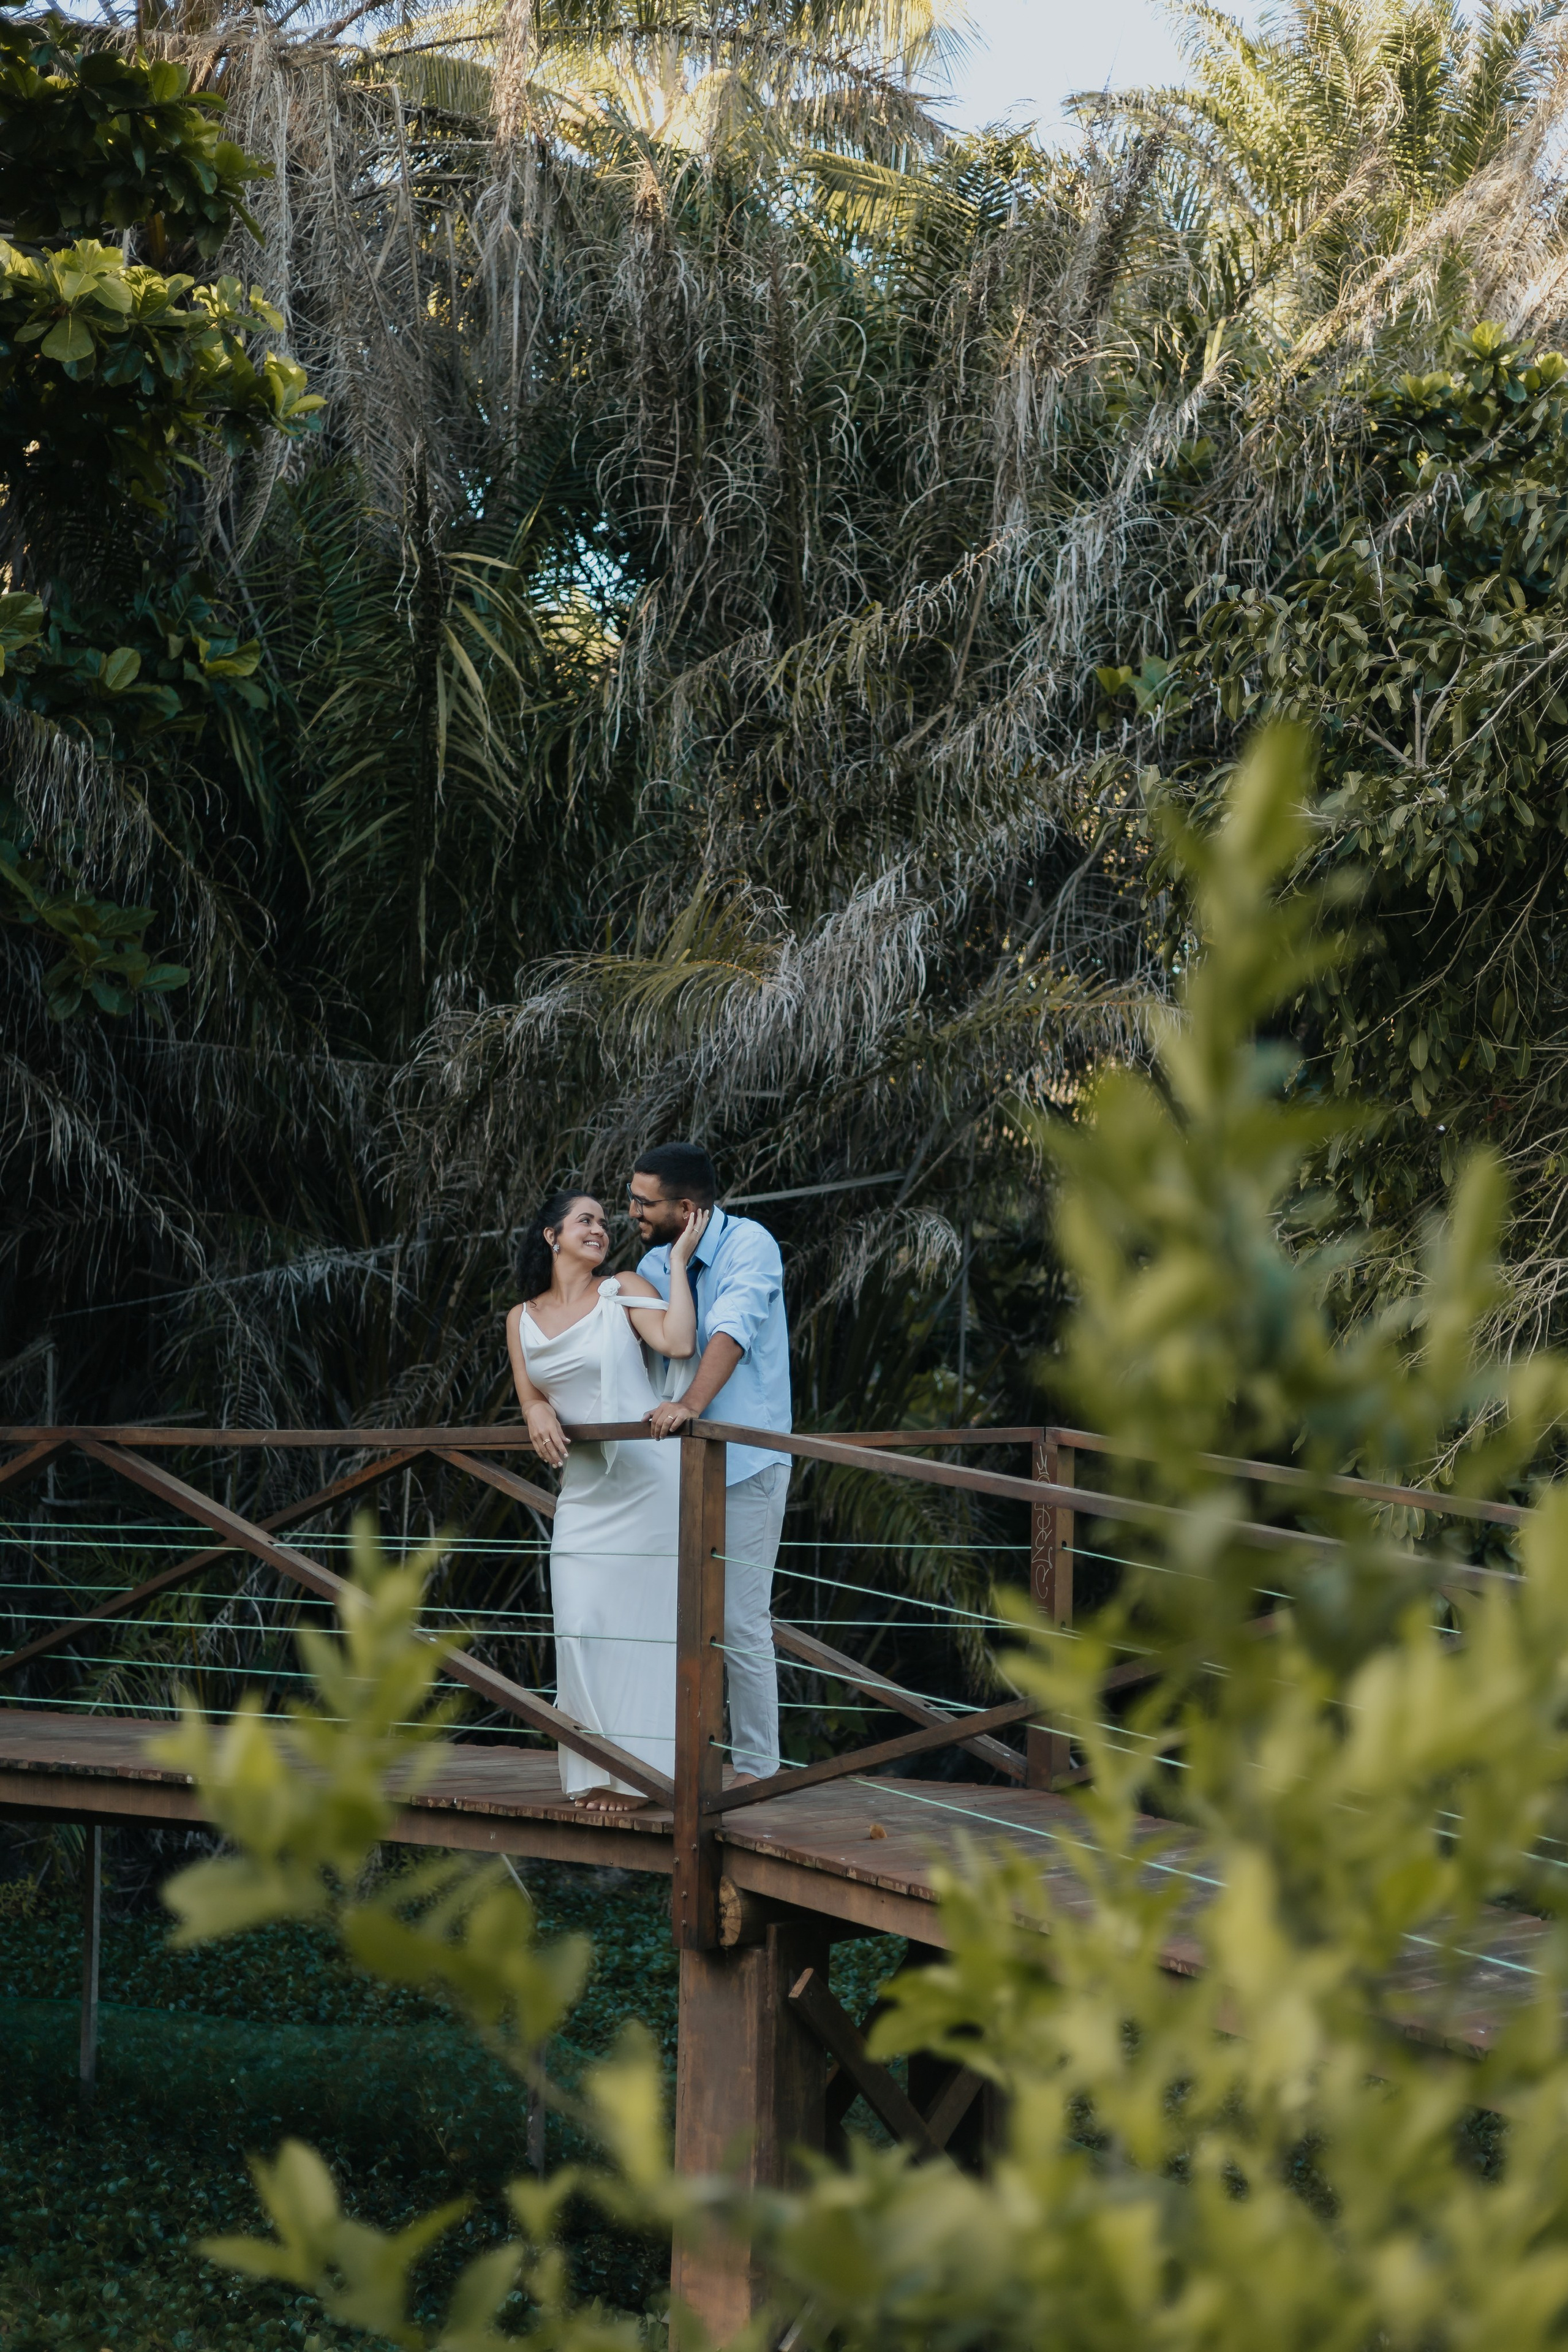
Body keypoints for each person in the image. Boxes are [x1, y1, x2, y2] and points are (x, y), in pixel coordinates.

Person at [504, 1189, 707, 1811]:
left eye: (601, 1221)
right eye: (583, 1220)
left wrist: (675, 1265)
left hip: (647, 1483)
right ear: (552, 1237)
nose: (598, 1229)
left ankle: (639, 1779)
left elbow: (676, 1342)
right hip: (586, 1493)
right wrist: (537, 1411)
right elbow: (530, 1393)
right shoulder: (520, 1318)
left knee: (640, 1632)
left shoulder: (621, 1289)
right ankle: (598, 1766)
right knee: (581, 1626)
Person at [629, 1142, 790, 1785]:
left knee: (739, 1619)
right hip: (672, 1469)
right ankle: (672, 1758)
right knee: (670, 1611)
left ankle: (755, 1774)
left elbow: (730, 1328)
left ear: (686, 1207)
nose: (632, 1211)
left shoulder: (751, 1245)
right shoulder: (652, 1261)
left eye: (645, 1201)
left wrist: (689, 1404)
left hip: (748, 1461)